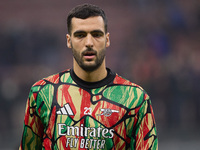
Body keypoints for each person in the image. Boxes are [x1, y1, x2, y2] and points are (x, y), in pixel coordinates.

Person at [19, 3, 158, 150]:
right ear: (68, 41)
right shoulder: (43, 92)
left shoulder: (135, 98)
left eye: (97, 34)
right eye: (80, 35)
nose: (89, 43)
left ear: (107, 39)